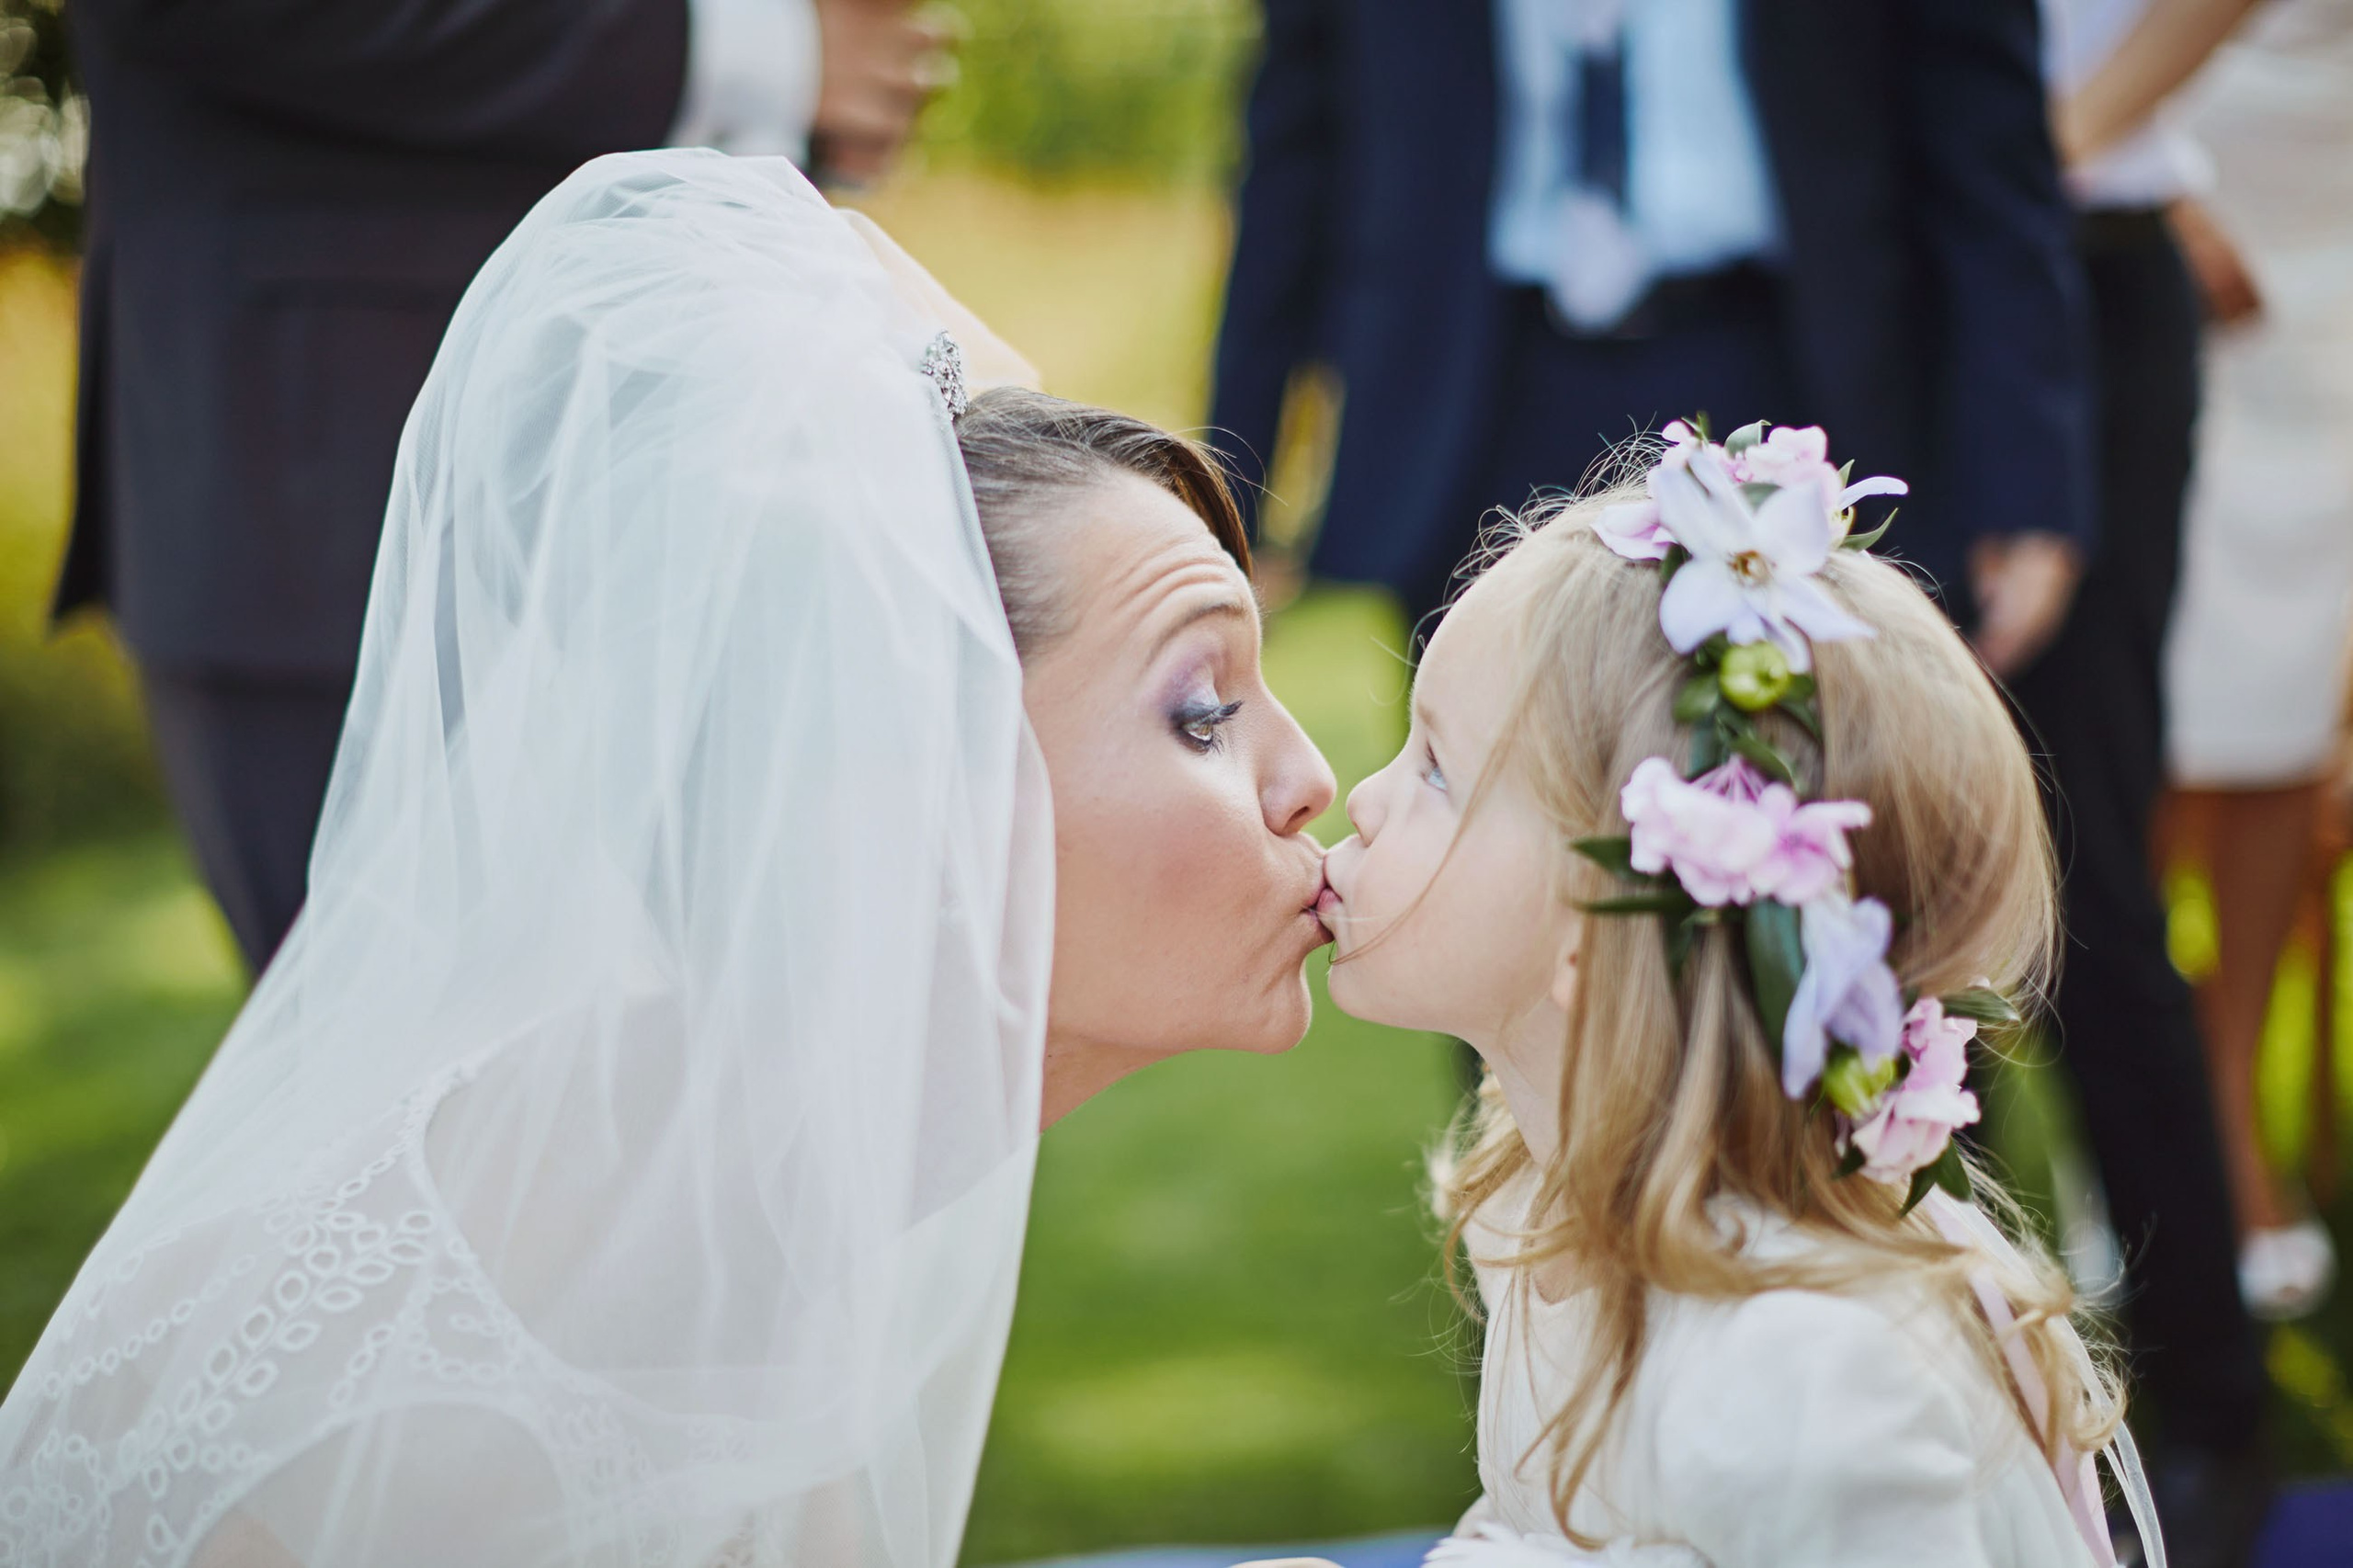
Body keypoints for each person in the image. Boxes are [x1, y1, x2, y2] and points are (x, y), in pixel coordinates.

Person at [0, 152, 1337, 1566]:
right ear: (909, 792)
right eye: (1202, 710)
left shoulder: (758, 1185)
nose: (1313, 779)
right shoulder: (456, 1433)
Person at [1313, 424, 2159, 1565]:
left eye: (1434, 768)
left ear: (1602, 921)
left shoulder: (1814, 1378)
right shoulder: (1547, 1207)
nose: (1360, 797)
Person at [51, 0, 951, 971]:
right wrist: (760, 48)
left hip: (721, 440)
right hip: (342, 479)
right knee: (415, 1069)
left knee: (775, 1038)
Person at [1208, 0, 2091, 669]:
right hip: (1476, 399)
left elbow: (1988, 152)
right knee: (1498, 815)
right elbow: (1293, 164)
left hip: (1789, 382)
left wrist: (2025, 484)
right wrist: (1230, 504)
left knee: (1798, 804)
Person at [2138, 0, 2353, 1324]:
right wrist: (2148, 196)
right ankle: (2140, 1116)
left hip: (2335, 253)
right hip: (2180, 213)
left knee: (2283, 710)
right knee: (2165, 706)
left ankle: (2227, 1118)